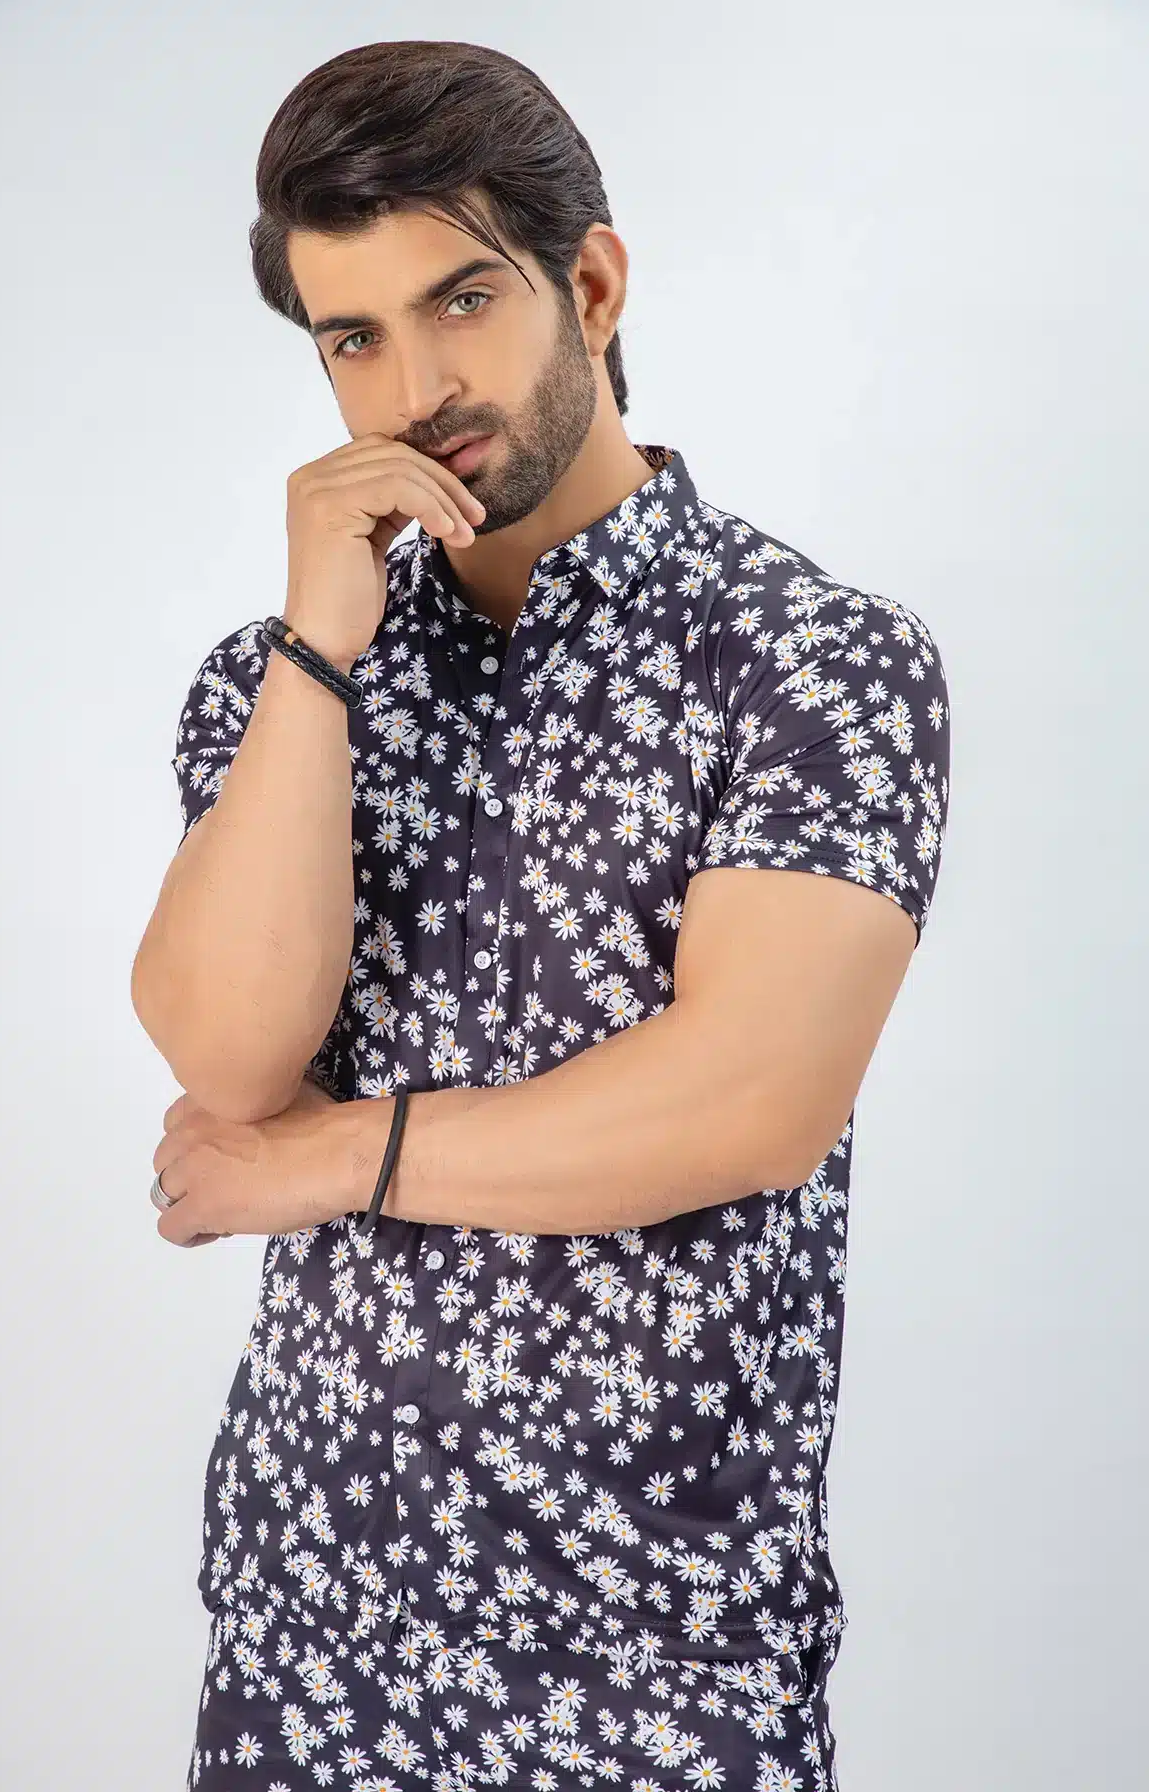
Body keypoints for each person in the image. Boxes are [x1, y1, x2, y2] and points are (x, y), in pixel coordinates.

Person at [132, 38, 952, 1792]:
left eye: (463, 301)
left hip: (651, 1650)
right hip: (311, 1632)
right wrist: (317, 653)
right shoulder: (282, 684)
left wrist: (322, 1161)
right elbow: (228, 1056)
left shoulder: (810, 663)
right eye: (353, 338)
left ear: (588, 286)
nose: (417, 384)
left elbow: (745, 1101)